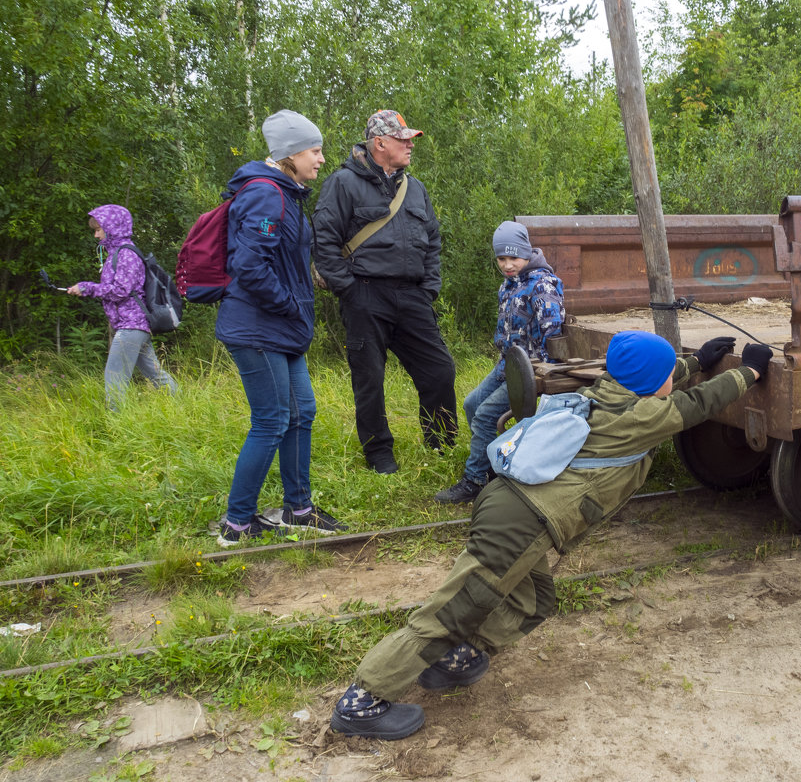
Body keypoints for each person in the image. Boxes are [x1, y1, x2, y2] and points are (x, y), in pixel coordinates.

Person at [329, 330, 772, 740]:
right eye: (666, 377)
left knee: (531, 601)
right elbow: (698, 404)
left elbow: (654, 377)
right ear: (652, 384)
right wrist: (747, 371)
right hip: (521, 523)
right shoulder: (642, 416)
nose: (669, 383)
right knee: (451, 612)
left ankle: (452, 660)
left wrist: (693, 362)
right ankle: (363, 700)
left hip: (509, 506)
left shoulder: (605, 392)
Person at [215, 109, 346, 547]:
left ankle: (298, 508)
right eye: (315, 150)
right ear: (290, 154)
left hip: (281, 328)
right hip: (259, 328)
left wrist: (304, 281)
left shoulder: (287, 194)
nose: (321, 159)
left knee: (301, 412)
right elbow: (249, 266)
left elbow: (277, 256)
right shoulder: (266, 196)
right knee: (271, 420)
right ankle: (237, 522)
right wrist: (290, 303)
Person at [312, 109, 457, 474]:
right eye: (402, 139)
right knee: (369, 380)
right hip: (364, 295)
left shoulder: (416, 188)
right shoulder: (343, 183)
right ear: (380, 143)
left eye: (410, 139)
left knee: (439, 370)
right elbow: (324, 242)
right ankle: (379, 456)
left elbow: (434, 242)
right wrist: (350, 291)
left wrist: (428, 289)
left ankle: (443, 445)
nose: (410, 145)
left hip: (412, 296)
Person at [435, 221, 565, 504]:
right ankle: (496, 465)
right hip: (508, 365)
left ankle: (475, 481)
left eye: (513, 258)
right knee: (472, 405)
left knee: (484, 416)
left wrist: (538, 374)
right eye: (501, 259)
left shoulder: (542, 285)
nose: (507, 264)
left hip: (530, 370)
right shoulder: (508, 285)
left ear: (527, 253)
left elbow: (552, 334)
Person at [68, 205, 179, 411]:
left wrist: (87, 288)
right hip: (135, 326)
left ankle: (116, 425)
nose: (96, 234)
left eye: (99, 229)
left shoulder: (126, 254)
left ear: (113, 227)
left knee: (114, 378)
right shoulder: (117, 253)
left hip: (131, 326)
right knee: (156, 375)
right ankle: (184, 407)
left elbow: (121, 290)